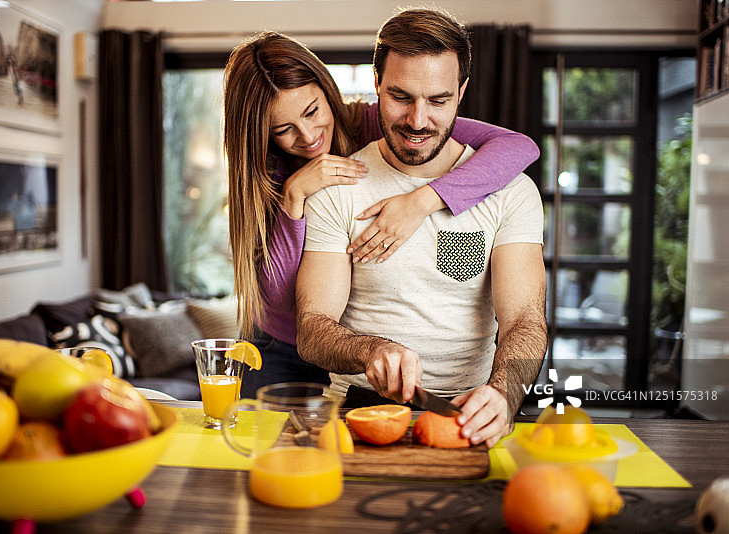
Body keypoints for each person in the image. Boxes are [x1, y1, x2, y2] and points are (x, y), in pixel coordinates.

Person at [224, 30, 540, 399]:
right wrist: (294, 196)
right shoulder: (268, 174)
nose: (308, 135)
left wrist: (422, 201)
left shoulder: (375, 122)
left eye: (312, 112)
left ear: (328, 91)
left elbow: (519, 146)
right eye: (282, 129)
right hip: (279, 344)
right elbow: (280, 302)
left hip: (344, 346)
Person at [294, 8, 547, 448]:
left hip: (469, 409)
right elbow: (313, 328)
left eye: (438, 100)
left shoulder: (512, 192)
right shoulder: (337, 188)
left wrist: (505, 391)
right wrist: (369, 350)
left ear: (462, 92)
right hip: (358, 412)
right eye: (400, 96)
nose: (417, 120)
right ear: (376, 85)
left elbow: (525, 319)